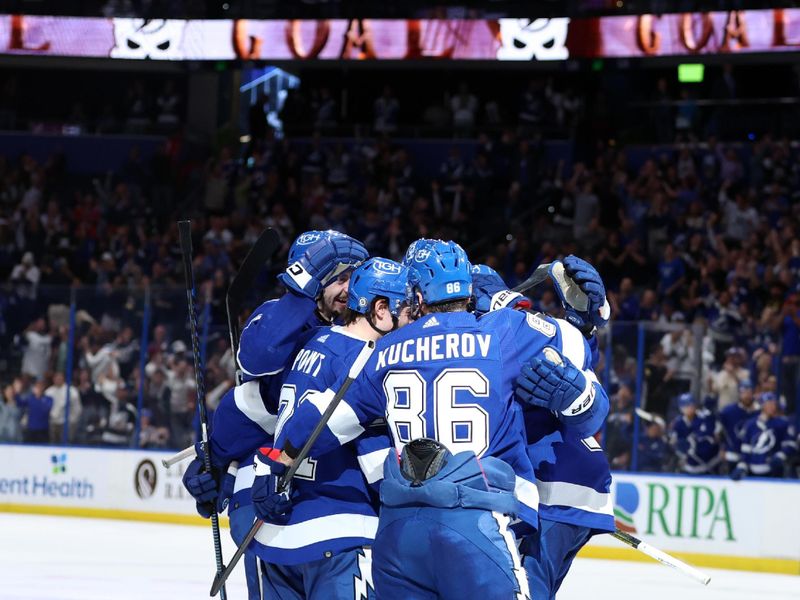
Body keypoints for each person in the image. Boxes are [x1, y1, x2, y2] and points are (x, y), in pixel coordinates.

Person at [272, 240, 610, 598]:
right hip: (476, 522)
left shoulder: (385, 350)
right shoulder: (507, 330)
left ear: (414, 295)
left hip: (399, 532)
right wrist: (585, 319)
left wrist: (277, 464)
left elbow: (310, 429)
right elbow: (579, 352)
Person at [182, 230, 368, 600]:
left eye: (356, 277)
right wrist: (214, 458)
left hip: (337, 506)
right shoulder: (280, 321)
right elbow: (256, 369)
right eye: (340, 278)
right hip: (273, 511)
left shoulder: (368, 327)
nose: (350, 288)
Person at [250, 257, 411, 599]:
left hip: (279, 532)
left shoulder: (314, 342)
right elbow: (379, 466)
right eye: (407, 308)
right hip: (339, 532)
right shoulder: (372, 362)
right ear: (380, 309)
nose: (412, 318)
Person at [477, 256, 615, 600]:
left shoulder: (480, 332)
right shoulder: (537, 329)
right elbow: (584, 378)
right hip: (577, 485)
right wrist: (583, 325)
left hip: (544, 492)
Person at [731, 392, 796, 480]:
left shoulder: (782, 423)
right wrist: (742, 467)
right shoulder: (751, 424)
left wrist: (781, 455)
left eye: (774, 404)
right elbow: (746, 449)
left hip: (773, 473)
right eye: (769, 404)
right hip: (752, 473)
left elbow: (790, 444)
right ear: (762, 405)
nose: (772, 407)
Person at [668, 393, 721, 475]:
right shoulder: (678, 423)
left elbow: (713, 438)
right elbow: (674, 443)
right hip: (691, 465)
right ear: (680, 408)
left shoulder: (706, 417)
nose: (689, 408)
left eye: (691, 405)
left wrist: (695, 443)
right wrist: (682, 452)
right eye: (685, 406)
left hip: (711, 462)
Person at [719, 381, 759, 473]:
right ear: (739, 394)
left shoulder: (759, 412)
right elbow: (721, 431)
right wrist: (722, 448)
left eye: (749, 392)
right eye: (744, 393)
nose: (746, 396)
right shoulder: (728, 411)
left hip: (752, 453)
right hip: (733, 451)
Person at [45, 372, 81, 444]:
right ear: (53, 379)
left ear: (63, 379)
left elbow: (77, 408)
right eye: (56, 378)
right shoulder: (48, 391)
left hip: (66, 423)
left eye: (60, 378)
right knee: (53, 442)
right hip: (53, 422)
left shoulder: (71, 391)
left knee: (66, 442)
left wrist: (73, 420)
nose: (58, 380)